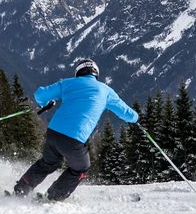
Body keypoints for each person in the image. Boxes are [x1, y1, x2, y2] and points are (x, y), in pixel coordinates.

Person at [14, 58, 138, 201]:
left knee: (48, 163)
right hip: (74, 138)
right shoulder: (106, 91)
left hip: (53, 133)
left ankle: (21, 190)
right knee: (81, 168)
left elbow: (39, 95)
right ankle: (53, 197)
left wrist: (45, 103)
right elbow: (126, 113)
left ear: (78, 72)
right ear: (96, 73)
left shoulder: (68, 83)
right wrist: (136, 119)